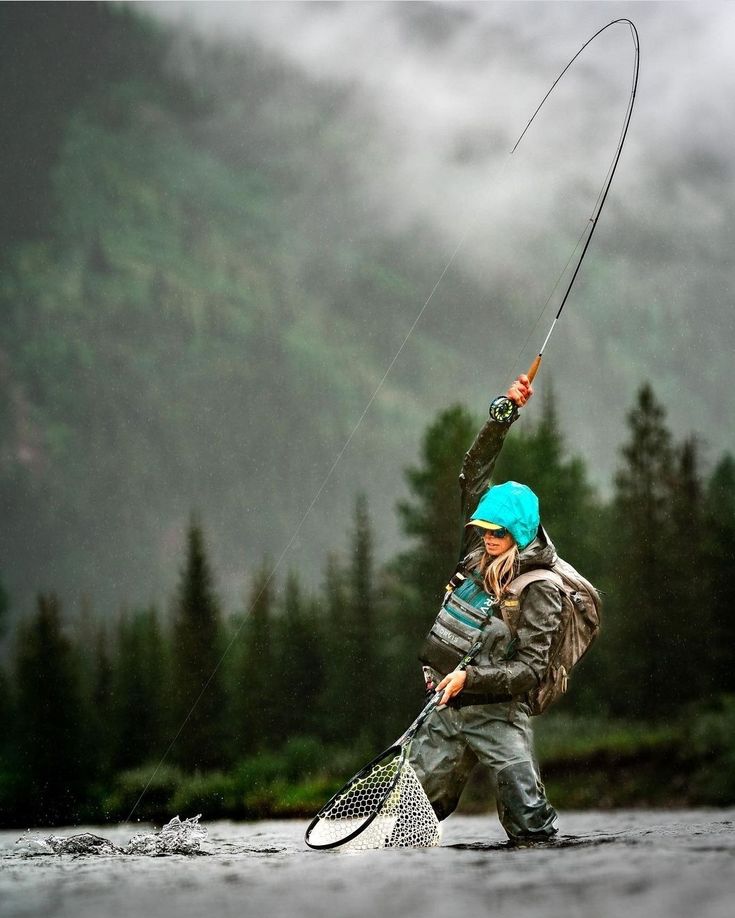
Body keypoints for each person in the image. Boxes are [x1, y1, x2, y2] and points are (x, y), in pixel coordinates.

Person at [408, 373, 561, 844]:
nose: (487, 537)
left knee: (530, 827)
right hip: (446, 710)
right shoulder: (477, 550)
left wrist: (470, 678)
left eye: (497, 532)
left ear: (517, 533)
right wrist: (504, 413)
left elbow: (531, 669)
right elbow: (473, 469)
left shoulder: (541, 587)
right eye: (483, 529)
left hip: (500, 716)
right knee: (406, 824)